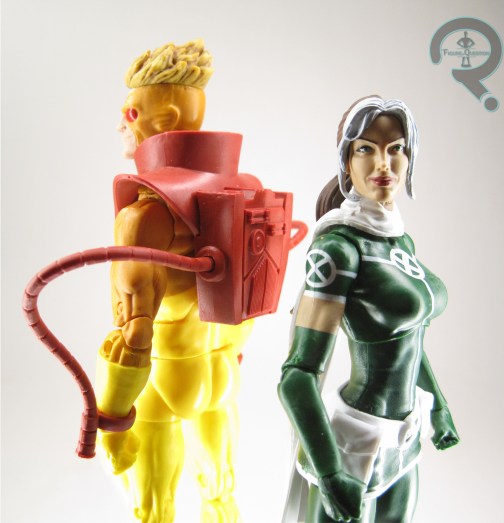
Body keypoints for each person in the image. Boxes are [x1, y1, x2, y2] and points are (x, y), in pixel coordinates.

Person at [96, 40, 257, 523]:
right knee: (220, 494)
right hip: (220, 379)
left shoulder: (144, 218)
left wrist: (112, 419)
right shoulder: (245, 193)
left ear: (163, 120)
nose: (121, 124)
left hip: (161, 385)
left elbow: (135, 335)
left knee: (153, 509)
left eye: (130, 112)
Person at [278, 96, 459, 522]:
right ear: (346, 161)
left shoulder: (400, 241)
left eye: (396, 149)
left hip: (406, 434)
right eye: (366, 149)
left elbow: (410, 337)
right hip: (351, 446)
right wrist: (329, 472)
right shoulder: (338, 250)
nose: (384, 163)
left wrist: (439, 405)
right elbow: (297, 376)